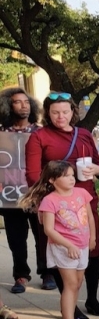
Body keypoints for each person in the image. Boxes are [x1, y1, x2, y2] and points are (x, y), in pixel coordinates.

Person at [25, 94, 99, 319]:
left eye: (65, 112)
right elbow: (32, 174)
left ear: (73, 112)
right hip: (56, 206)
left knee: (92, 248)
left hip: (85, 201)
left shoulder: (85, 135)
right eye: (55, 112)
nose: (61, 117)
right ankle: (71, 306)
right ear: (47, 113)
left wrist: (96, 171)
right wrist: (47, 198)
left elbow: (98, 164)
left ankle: (92, 298)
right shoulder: (39, 137)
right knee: (63, 254)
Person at [21, 161, 96, 319]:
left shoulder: (82, 193)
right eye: (66, 176)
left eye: (72, 175)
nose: (72, 179)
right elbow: (48, 229)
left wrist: (92, 237)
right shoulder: (49, 201)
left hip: (82, 246)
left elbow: (90, 216)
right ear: (53, 180)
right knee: (70, 285)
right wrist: (68, 245)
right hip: (64, 249)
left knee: (77, 284)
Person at [0, 87, 45, 294]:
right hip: (10, 195)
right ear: (8, 106)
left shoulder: (40, 132)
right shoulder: (1, 134)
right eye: (17, 102)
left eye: (26, 102)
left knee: (43, 235)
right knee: (16, 238)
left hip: (37, 195)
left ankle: (48, 273)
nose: (23, 105)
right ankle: (21, 275)